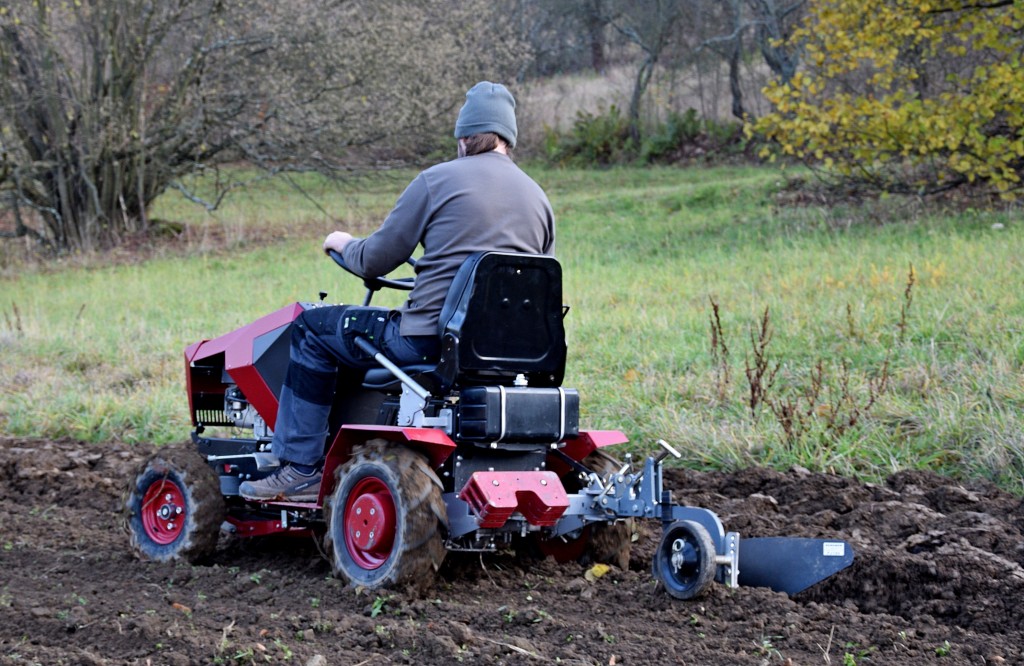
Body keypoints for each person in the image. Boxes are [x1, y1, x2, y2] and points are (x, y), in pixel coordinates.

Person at [239, 81, 555, 502]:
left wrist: (342, 242)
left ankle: (300, 467)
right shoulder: (539, 198)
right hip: (512, 355)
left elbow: (374, 260)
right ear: (508, 139)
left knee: (314, 328)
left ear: (464, 136)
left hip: (427, 340)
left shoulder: (437, 181)